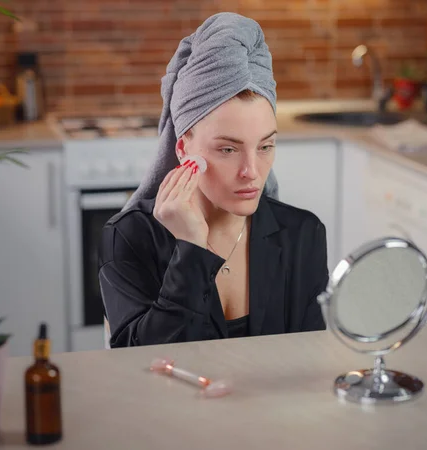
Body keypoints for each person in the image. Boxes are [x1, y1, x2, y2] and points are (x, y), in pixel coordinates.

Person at [98, 12, 328, 348]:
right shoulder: (130, 237)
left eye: (265, 146)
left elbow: (309, 360)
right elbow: (138, 364)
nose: (251, 170)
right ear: (183, 147)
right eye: (228, 149)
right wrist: (190, 249)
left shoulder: (303, 234)